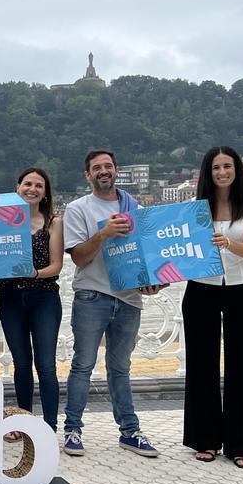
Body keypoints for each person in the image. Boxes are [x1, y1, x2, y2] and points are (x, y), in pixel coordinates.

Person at [62, 149, 163, 458]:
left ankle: (130, 431)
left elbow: (151, 257)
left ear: (117, 170)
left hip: (130, 298)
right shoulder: (78, 209)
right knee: (82, 365)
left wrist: (154, 282)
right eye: (96, 168)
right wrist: (103, 233)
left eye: (108, 166)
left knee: (121, 368)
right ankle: (72, 430)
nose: (103, 171)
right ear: (88, 175)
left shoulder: (137, 209)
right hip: (92, 295)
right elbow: (79, 257)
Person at [183, 146, 243, 469]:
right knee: (201, 366)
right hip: (201, 290)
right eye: (215, 167)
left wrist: (227, 242)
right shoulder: (196, 208)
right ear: (208, 172)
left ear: (237, 170)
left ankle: (241, 444)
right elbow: (179, 250)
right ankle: (204, 440)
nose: (221, 172)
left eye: (227, 166)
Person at [0, 167, 64, 436]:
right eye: (27, 184)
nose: (32, 189)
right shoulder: (1, 223)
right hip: (10, 297)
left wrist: (34, 272)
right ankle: (24, 422)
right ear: (17, 187)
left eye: (39, 185)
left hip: (43, 296)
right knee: (21, 363)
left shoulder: (54, 222)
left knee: (46, 364)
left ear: (45, 192)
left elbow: (57, 265)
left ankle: (49, 426)